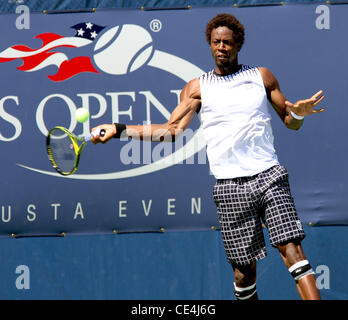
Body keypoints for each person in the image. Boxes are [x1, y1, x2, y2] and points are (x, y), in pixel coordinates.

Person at [91, 13, 325, 300]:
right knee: (243, 273)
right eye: (216, 42)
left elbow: (291, 122)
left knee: (292, 250)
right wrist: (119, 129)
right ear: (210, 45)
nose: (222, 47)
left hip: (269, 176)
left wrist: (300, 112)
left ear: (238, 45)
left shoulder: (261, 77)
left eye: (227, 42)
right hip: (229, 186)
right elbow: (171, 130)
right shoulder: (196, 88)